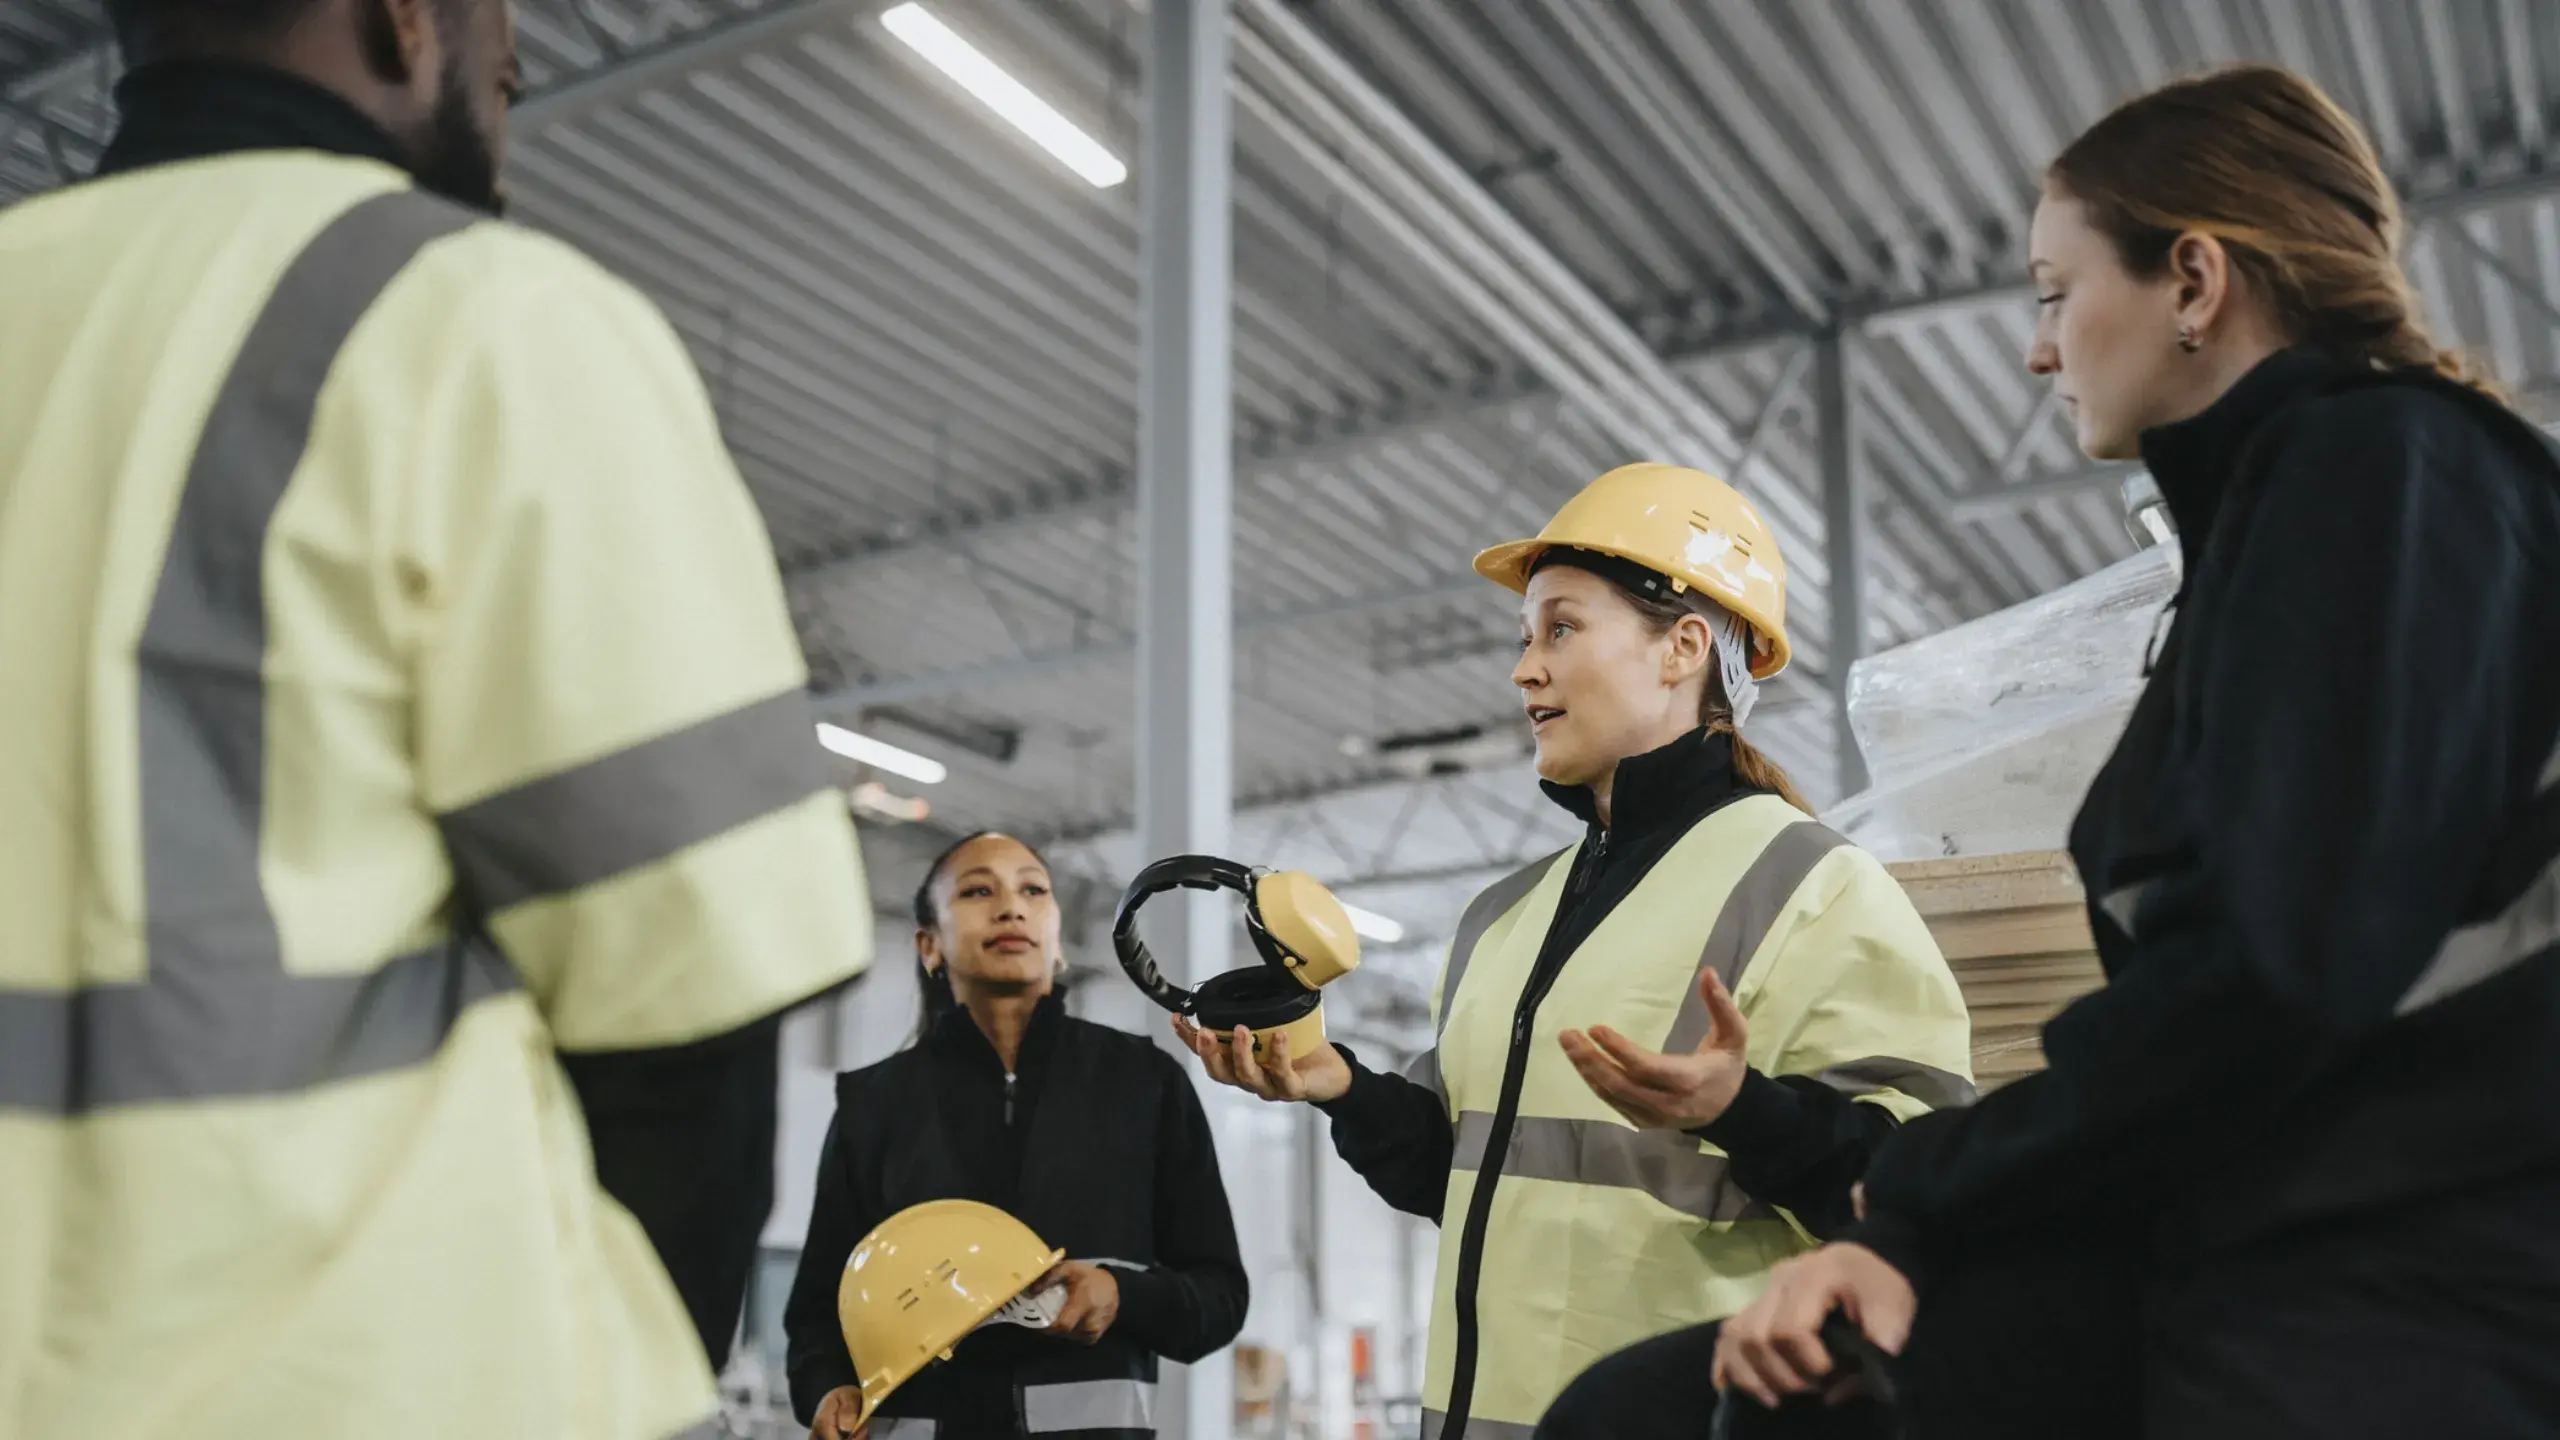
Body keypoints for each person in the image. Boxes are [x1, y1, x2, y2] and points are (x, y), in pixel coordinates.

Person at [1561, 64, 2560, 1440]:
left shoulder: (2381, 472)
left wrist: (1916, 1204)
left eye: (2052, 291)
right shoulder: (2303, 513)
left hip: (2404, 1273)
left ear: (2195, 281)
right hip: (2286, 1222)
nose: (2040, 351)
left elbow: (2262, 974)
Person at [0, 2, 877, 1436]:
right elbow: (691, 1025)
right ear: (405, 19)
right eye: (499, 36)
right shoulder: (479, 323)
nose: (509, 66)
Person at [1174, 463, 1977, 1438]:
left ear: (1681, 648)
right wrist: (1339, 1084)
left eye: (1560, 628)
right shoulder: (1503, 917)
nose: (1524, 670)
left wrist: (1744, 1111)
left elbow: (1926, 1195)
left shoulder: (1816, 888)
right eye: (1523, 639)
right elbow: (1456, 1177)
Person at [784, 832, 1249, 1440]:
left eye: (1034, 889)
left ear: (1056, 940)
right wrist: (825, 1391)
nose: (1012, 907)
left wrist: (1122, 1295)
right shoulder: (874, 1104)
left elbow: (1218, 1296)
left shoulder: (1144, 1083)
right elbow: (817, 1314)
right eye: (979, 890)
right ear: (929, 945)